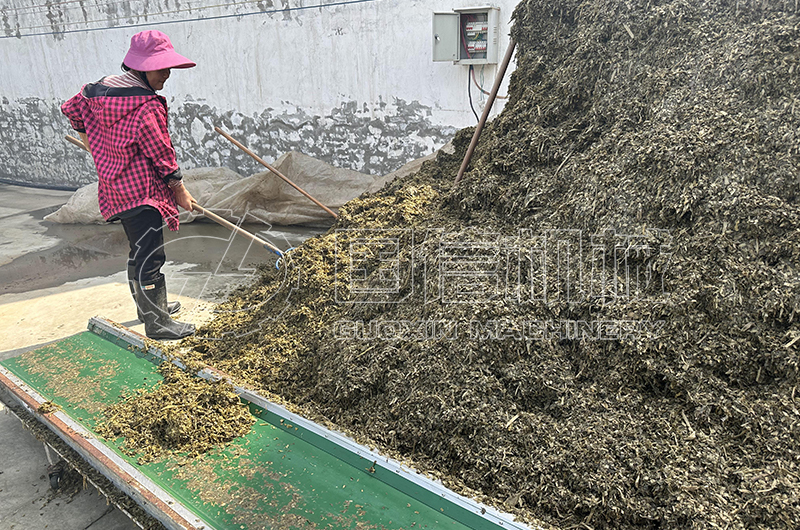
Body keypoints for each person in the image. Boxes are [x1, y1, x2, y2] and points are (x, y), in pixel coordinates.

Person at [61, 30, 197, 340]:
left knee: (139, 250)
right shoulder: (145, 105)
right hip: (142, 192)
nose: (167, 75)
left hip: (115, 189)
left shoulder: (97, 91)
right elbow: (161, 153)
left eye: (169, 67)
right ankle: (158, 324)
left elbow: (71, 108)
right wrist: (180, 190)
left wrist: (92, 142)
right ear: (143, 67)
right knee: (151, 255)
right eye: (162, 68)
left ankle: (149, 309)